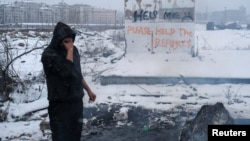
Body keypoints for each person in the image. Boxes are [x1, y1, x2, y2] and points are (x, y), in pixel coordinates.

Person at [41, 22, 96, 141]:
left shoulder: (74, 51)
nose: (70, 44)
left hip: (76, 103)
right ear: (58, 40)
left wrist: (88, 90)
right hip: (60, 105)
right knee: (61, 137)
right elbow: (66, 72)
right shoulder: (49, 54)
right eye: (66, 41)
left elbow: (77, 74)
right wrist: (69, 51)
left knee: (75, 137)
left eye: (71, 40)